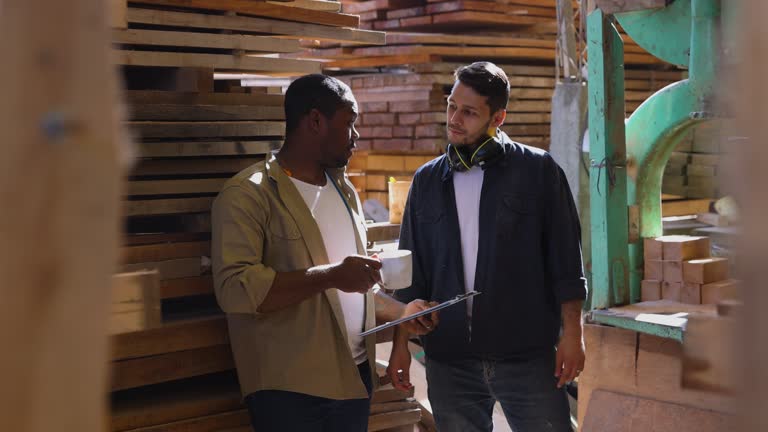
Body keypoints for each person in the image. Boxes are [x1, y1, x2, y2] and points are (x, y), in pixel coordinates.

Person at [212, 74, 438, 432]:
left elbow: (356, 287)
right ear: (315, 121)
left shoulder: (344, 191)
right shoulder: (249, 194)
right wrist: (331, 275)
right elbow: (235, 288)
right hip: (289, 391)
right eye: (349, 123)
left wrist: (402, 316)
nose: (356, 135)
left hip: (352, 380)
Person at [387, 62, 587, 432]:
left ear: (498, 117)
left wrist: (573, 335)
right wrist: (400, 341)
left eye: (469, 112)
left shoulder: (538, 171)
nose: (454, 119)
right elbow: (409, 271)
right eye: (451, 106)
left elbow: (566, 261)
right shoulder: (427, 180)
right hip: (449, 358)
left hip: (525, 353)